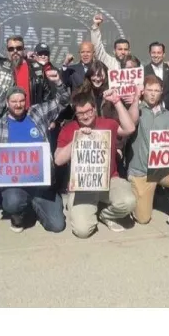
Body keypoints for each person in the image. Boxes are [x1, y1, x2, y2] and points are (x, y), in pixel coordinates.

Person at [0, 68, 69, 233]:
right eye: (14, 101)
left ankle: (36, 205)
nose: (18, 105)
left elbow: (63, 100)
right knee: (12, 202)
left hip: (42, 184)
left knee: (57, 226)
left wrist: (58, 82)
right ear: (7, 103)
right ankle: (19, 213)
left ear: (26, 101)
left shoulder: (37, 112)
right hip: (16, 185)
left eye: (21, 101)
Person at [54, 88, 139, 238]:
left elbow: (130, 128)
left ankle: (105, 214)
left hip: (109, 179)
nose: (86, 116)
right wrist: (77, 139)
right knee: (82, 231)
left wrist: (117, 102)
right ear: (75, 113)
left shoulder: (108, 123)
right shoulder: (68, 129)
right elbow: (58, 160)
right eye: (80, 113)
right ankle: (86, 210)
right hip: (83, 185)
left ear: (94, 108)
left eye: (89, 111)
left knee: (129, 202)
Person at [127, 75, 169, 235]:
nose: (152, 94)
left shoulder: (168, 116)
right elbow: (130, 122)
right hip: (141, 171)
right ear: (143, 91)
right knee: (143, 219)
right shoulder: (136, 109)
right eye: (149, 90)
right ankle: (142, 194)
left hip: (162, 169)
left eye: (156, 90)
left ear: (161, 92)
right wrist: (135, 99)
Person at [0, 26, 51, 117]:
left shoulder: (37, 68)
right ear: (7, 51)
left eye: (18, 48)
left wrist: (47, 117)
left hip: (30, 117)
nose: (15, 51)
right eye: (11, 49)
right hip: (2, 116)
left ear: (24, 50)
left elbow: (46, 95)